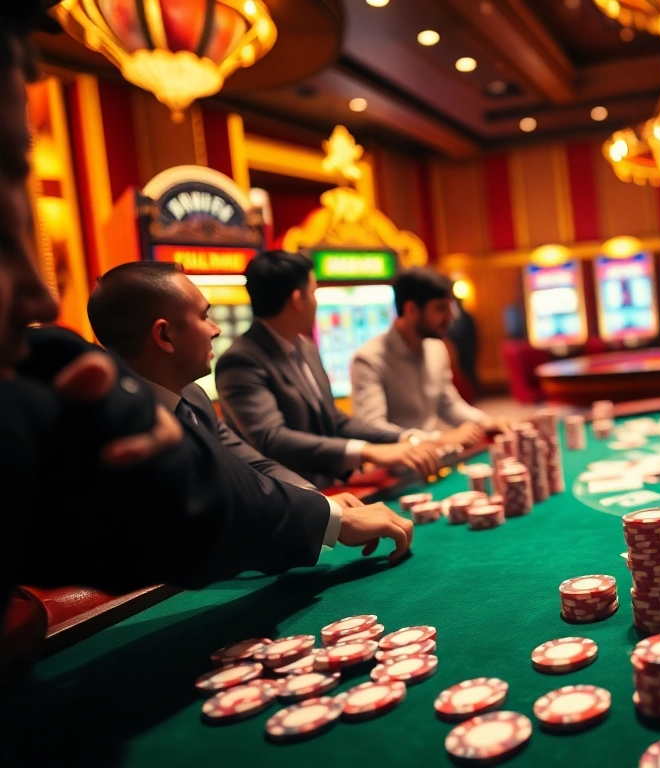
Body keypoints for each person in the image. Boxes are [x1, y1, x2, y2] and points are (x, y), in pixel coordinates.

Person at [0, 1, 413, 614]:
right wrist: (325, 511)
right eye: (9, 179)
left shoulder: (118, 390)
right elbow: (203, 494)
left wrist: (323, 506)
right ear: (164, 335)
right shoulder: (96, 391)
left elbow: (232, 475)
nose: (41, 296)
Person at [216, 250, 444, 489]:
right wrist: (368, 451)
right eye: (313, 292)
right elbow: (271, 438)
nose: (316, 301)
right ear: (297, 299)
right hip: (283, 500)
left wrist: (402, 437)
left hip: (328, 489)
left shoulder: (306, 347)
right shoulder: (241, 360)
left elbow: (333, 419)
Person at [87, 261, 316, 490]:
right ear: (165, 336)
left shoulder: (193, 396)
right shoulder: (121, 431)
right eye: (204, 316)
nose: (216, 329)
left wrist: (321, 504)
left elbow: (255, 468)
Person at [351, 268, 492, 445]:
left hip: (434, 457)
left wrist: (487, 422)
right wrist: (438, 439)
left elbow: (448, 404)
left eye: (450, 306)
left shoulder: (437, 347)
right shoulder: (368, 359)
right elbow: (373, 428)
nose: (451, 316)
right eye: (441, 308)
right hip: (394, 466)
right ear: (411, 309)